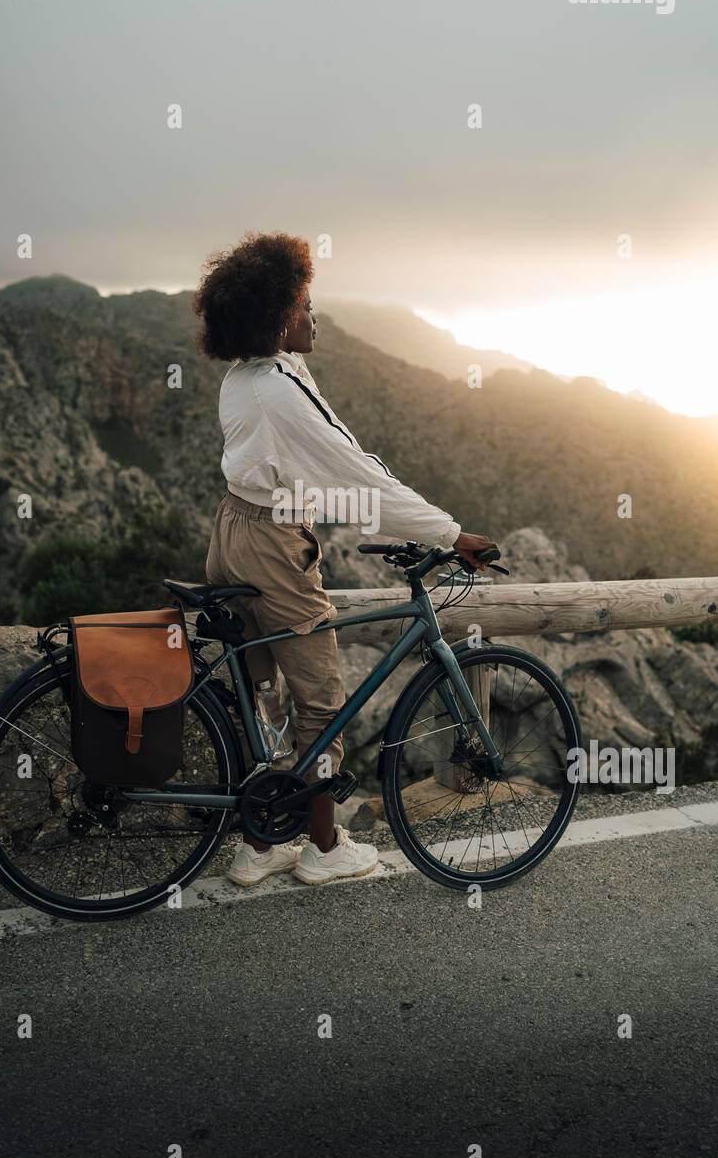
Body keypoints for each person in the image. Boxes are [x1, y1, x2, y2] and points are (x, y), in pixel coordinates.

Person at [194, 232, 496, 887]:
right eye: (303, 306)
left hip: (233, 530)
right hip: (273, 545)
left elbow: (334, 469)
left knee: (260, 694)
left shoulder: (249, 375)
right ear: (276, 319)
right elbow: (359, 476)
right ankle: (324, 848)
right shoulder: (277, 388)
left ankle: (255, 845)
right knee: (320, 700)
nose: (313, 317)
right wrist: (451, 533)